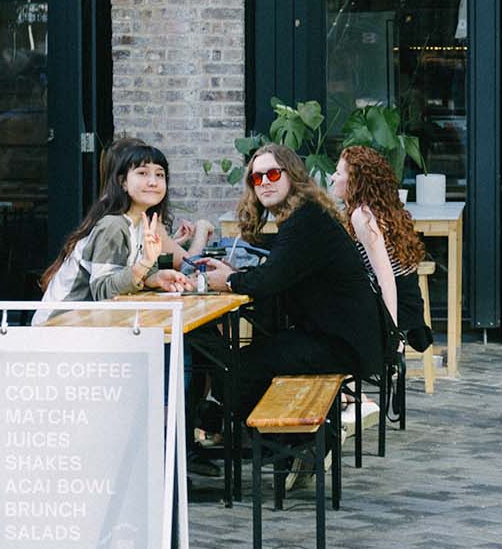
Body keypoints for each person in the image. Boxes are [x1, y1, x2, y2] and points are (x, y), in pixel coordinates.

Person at [198, 144, 388, 421]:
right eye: (256, 177)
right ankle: (256, 433)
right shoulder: (304, 216)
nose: (264, 183)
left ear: (292, 176)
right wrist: (233, 274)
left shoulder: (306, 220)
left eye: (273, 174)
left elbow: (269, 279)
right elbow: (280, 271)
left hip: (342, 346)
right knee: (250, 359)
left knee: (240, 369)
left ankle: (266, 436)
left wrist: (227, 280)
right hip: (340, 338)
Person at [38, 140, 205, 309]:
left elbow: (130, 278)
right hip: (62, 325)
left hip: (95, 323)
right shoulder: (114, 225)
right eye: (142, 173)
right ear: (123, 182)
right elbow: (103, 292)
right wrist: (145, 263)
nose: (153, 182)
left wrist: (156, 278)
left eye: (160, 175)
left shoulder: (143, 223)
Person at [331, 145, 432, 353]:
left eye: (338, 173)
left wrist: (392, 332)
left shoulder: (362, 216)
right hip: (408, 302)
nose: (332, 177)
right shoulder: (378, 209)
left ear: (355, 181)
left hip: (396, 306)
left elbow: (385, 276)